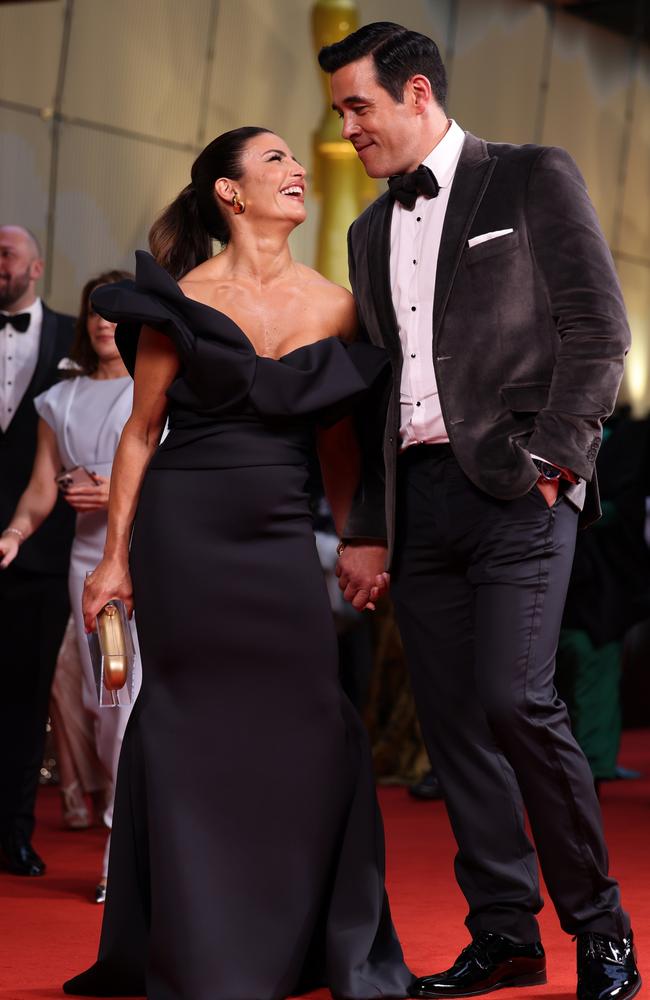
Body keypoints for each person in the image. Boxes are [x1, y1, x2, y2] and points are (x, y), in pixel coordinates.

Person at [318, 21, 641, 1000]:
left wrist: (556, 457)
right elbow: (380, 395)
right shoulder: (366, 229)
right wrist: (370, 524)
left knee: (514, 700)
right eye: (338, 110)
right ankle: (502, 931)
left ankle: (600, 928)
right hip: (417, 503)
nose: (346, 128)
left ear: (416, 92)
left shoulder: (529, 174)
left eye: (356, 106)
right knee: (454, 723)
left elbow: (598, 325)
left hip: (516, 486)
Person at [62, 126, 413, 1000]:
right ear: (228, 192)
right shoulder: (177, 298)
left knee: (304, 722)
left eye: (298, 161)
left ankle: (298, 938)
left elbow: (337, 446)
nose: (299, 170)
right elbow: (141, 435)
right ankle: (201, 945)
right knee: (189, 726)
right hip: (187, 529)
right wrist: (114, 561)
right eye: (276, 161)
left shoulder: (336, 304)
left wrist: (357, 542)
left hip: (280, 532)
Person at [0, 268, 141, 903]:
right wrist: (15, 532)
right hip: (84, 565)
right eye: (94, 312)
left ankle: (125, 856)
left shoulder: (155, 390)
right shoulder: (60, 399)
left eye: (115, 312)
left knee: (132, 703)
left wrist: (120, 492)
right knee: (102, 703)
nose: (103, 322)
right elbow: (38, 489)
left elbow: (180, 478)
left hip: (147, 558)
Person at [0, 225, 75, 877]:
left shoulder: (76, 338)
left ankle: (14, 834)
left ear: (36, 266)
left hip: (44, 551)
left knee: (26, 700)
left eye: (6, 253)